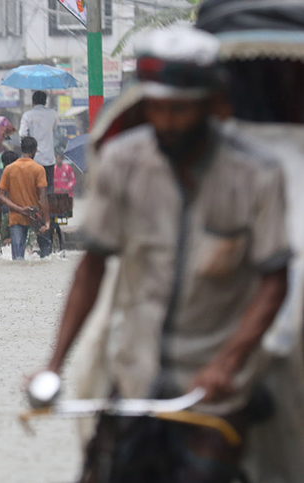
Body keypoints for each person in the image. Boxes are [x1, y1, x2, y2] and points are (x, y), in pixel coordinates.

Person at [36, 28, 292, 481]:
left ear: (213, 104)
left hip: (212, 390)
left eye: (180, 109)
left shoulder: (257, 175)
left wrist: (226, 364)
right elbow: (92, 268)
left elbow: (274, 281)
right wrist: (53, 367)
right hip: (135, 377)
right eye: (156, 108)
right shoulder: (120, 162)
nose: (167, 122)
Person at [0, 137, 51, 260]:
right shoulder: (39, 169)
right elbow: (43, 197)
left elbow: (1, 196)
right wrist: (47, 222)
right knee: (46, 255)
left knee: (17, 258)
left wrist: (20, 210)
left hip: (17, 217)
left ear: (21, 148)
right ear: (36, 150)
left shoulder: (9, 169)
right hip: (36, 217)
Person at [18, 91, 58, 192]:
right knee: (48, 186)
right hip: (49, 158)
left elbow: (22, 134)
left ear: (33, 102)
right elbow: (54, 129)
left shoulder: (27, 115)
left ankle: (35, 207)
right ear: (45, 102)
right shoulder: (53, 114)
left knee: (32, 188)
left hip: (33, 158)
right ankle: (48, 206)